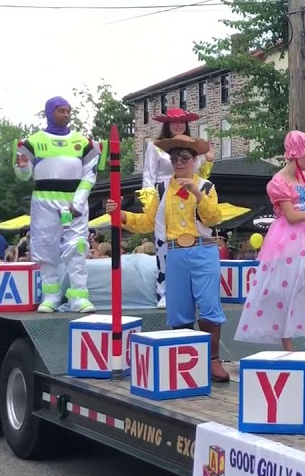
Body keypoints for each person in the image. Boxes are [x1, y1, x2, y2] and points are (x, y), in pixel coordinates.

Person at [107, 133, 229, 382]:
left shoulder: (206, 187)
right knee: (179, 309)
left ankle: (212, 359)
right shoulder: (161, 189)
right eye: (174, 158)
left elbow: (214, 218)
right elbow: (147, 222)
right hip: (175, 253)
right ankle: (184, 357)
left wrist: (196, 193)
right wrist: (121, 214)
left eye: (184, 157)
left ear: (194, 160)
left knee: (209, 306)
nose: (179, 162)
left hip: (203, 250)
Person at [234, 131, 305, 351]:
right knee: (288, 286)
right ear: (297, 155)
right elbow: (291, 216)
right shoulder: (279, 182)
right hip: (289, 238)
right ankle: (289, 348)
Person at [15, 96, 101, 313]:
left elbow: (89, 175)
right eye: (61, 111)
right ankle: (50, 296)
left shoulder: (84, 143)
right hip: (44, 202)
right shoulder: (31, 142)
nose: (66, 115)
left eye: (68, 111)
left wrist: (78, 203)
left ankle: (78, 296)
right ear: (49, 112)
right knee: (46, 248)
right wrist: (23, 166)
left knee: (77, 247)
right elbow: (23, 176)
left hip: (74, 203)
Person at [142, 108, 215, 309]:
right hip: (163, 195)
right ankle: (164, 291)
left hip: (190, 194)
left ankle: (193, 292)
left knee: (195, 240)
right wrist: (149, 204)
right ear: (167, 124)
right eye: (174, 122)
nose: (179, 125)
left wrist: (209, 160)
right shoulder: (155, 147)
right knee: (163, 242)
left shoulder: (193, 148)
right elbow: (148, 176)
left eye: (182, 122)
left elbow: (202, 176)